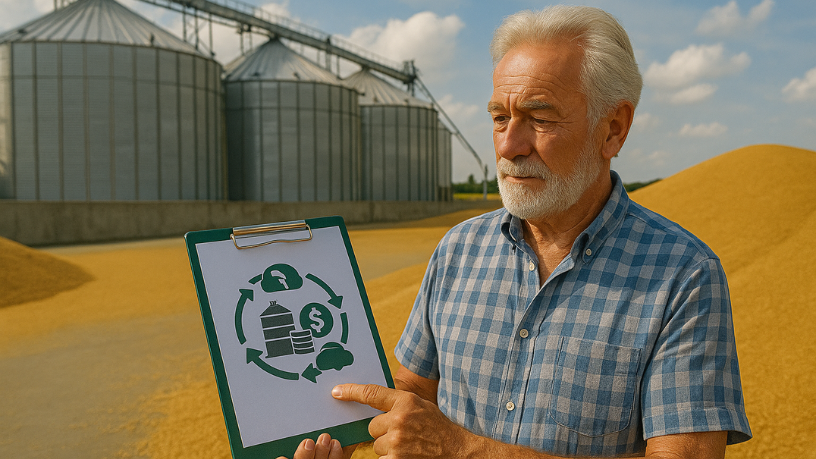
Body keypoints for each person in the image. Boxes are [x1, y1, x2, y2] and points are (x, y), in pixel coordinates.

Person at [278, 5, 751, 459]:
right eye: (499, 118)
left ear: (613, 129)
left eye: (540, 118)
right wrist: (335, 437)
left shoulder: (683, 275)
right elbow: (415, 389)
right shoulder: (458, 249)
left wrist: (463, 451)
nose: (508, 145)